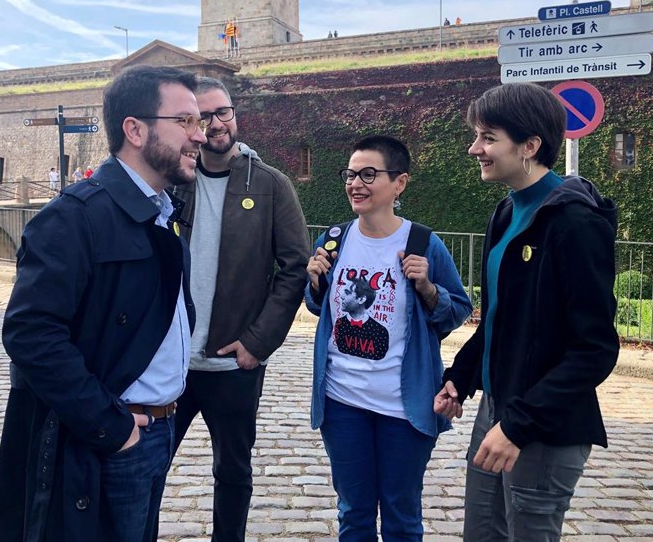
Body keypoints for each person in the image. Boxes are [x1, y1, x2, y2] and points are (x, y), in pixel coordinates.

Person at [0, 64, 207, 542]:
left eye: (202, 123)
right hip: (110, 440)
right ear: (135, 129)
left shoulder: (161, 210)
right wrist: (112, 427)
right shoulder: (73, 217)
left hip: (156, 430)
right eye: (186, 122)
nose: (200, 136)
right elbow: (30, 334)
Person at [434, 83, 619, 541]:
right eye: (477, 136)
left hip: (544, 425)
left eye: (489, 137)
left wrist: (518, 425)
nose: (475, 148)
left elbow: (594, 350)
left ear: (530, 146)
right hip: (497, 409)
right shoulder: (505, 212)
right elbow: (500, 320)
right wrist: (461, 375)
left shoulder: (576, 223)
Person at [305, 135, 472, 541]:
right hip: (342, 402)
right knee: (354, 513)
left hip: (403, 407)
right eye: (350, 174)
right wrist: (314, 284)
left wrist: (428, 289)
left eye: (368, 174)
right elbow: (320, 307)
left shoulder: (422, 243)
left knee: (401, 515)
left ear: (399, 183)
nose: (355, 184)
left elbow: (457, 311)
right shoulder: (335, 238)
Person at [169, 76, 310, 542]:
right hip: (169, 364)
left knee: (233, 471)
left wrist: (257, 343)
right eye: (201, 116)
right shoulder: (173, 182)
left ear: (235, 113)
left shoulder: (270, 185)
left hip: (232, 362)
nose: (215, 124)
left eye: (222, 112)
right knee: (145, 468)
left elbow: (294, 269)